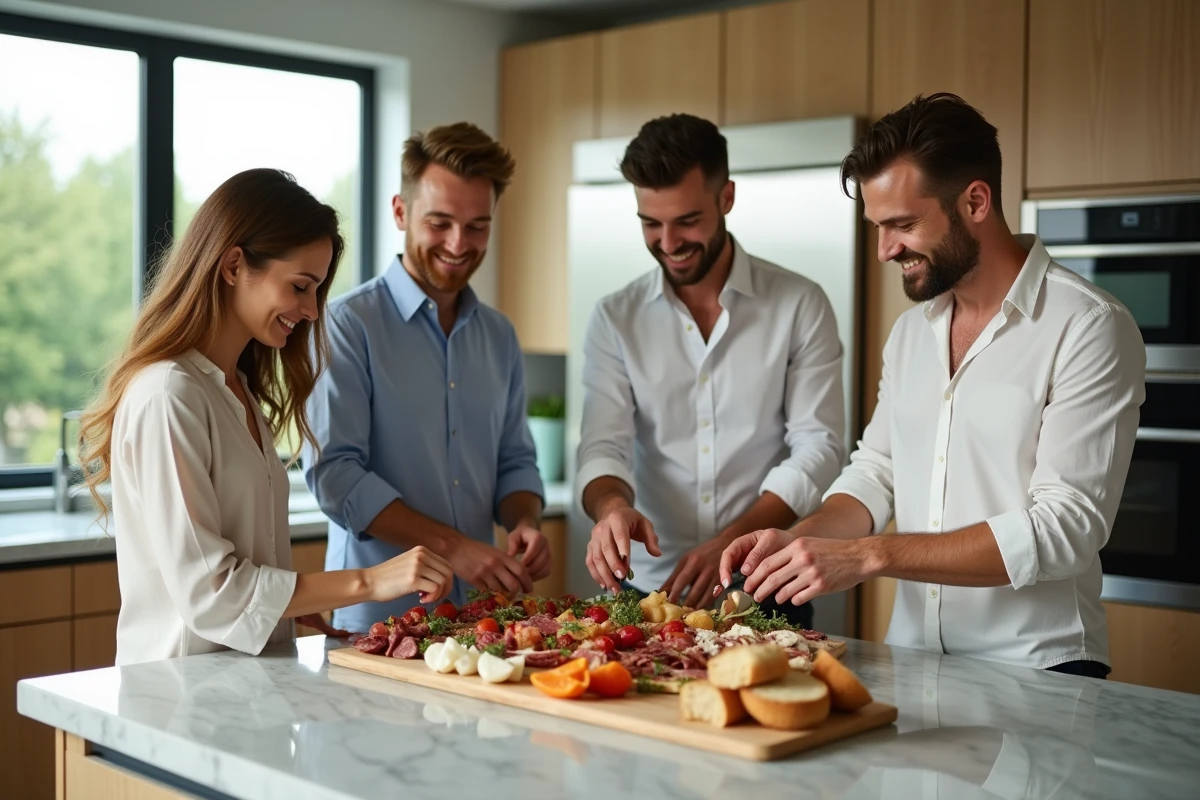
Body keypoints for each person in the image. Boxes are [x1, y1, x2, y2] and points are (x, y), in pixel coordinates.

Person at [720, 93, 1146, 677]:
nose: (885, 250)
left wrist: (868, 555)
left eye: (902, 225)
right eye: (876, 227)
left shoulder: (1088, 326)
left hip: (1041, 670)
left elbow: (1064, 527)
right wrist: (798, 541)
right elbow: (876, 472)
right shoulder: (911, 334)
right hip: (915, 664)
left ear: (975, 200)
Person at [79, 169, 454, 666]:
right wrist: (371, 581)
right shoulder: (169, 394)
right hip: (177, 701)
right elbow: (211, 593)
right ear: (234, 264)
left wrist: (293, 614)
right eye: (301, 286)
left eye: (317, 290)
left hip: (239, 692)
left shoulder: (237, 392)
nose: (313, 311)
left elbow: (244, 567)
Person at [577, 114, 846, 625]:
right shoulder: (615, 317)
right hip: (648, 589)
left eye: (687, 220)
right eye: (650, 223)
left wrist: (727, 544)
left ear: (727, 199)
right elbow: (602, 444)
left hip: (766, 582)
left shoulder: (799, 304)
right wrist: (612, 507)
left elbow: (819, 448)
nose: (668, 241)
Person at [304, 123, 549, 635]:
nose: (459, 244)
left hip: (478, 617)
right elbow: (335, 475)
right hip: (380, 619)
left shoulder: (499, 336)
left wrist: (525, 522)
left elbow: (515, 461)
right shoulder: (347, 325)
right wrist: (454, 549)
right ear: (400, 211)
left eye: (477, 226)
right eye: (440, 223)